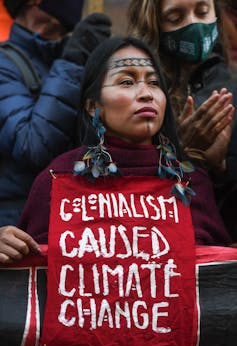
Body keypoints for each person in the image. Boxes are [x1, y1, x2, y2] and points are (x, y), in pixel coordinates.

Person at [0, 36, 232, 265]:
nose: (146, 94)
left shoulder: (191, 182)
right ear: (93, 106)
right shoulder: (57, 180)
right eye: (127, 82)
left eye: (154, 83)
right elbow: (28, 276)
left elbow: (220, 280)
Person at [127, 0, 237, 237]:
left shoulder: (231, 88)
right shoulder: (137, 97)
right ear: (154, 26)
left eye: (202, 12)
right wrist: (181, 153)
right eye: (176, 18)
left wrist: (220, 168)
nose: (194, 25)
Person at [0, 0, 111, 225]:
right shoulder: (5, 64)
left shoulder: (63, 57)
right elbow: (33, 145)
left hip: (73, 220)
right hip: (20, 228)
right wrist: (74, 62)